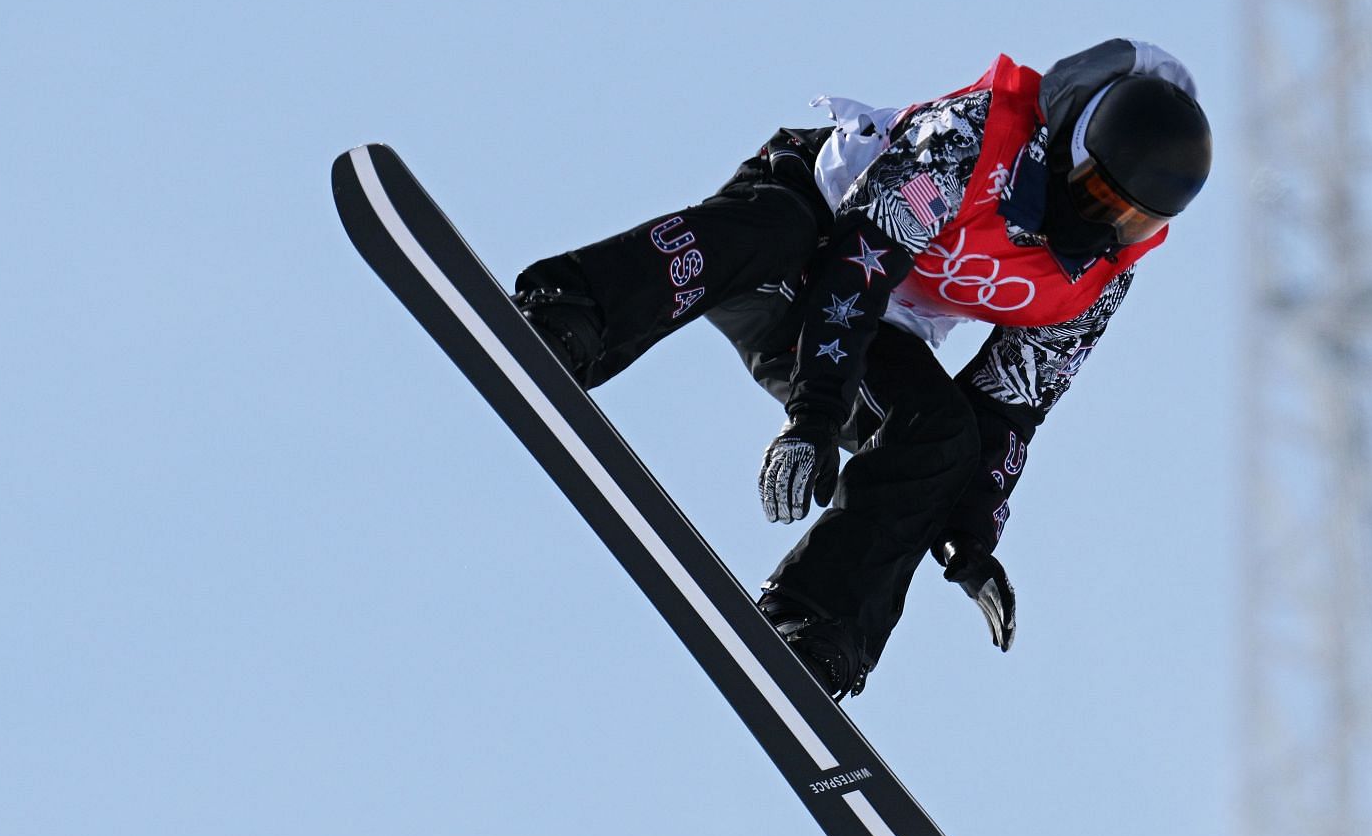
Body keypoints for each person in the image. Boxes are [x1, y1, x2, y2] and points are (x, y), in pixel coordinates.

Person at [511, 38, 1212, 698]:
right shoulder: (972, 142)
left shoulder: (1100, 278)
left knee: (937, 434)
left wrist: (970, 530)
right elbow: (856, 267)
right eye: (1096, 196)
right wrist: (812, 418)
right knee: (775, 228)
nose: (1100, 228)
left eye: (1131, 221)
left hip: (871, 335)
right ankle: (575, 313)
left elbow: (1010, 404)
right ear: (1069, 148)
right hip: (803, 246)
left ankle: (818, 623)